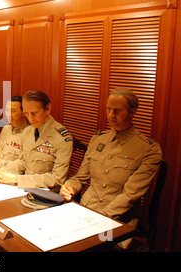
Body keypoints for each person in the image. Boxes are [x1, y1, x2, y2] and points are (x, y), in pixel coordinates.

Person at [59, 88, 162, 248]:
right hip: (85, 210)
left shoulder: (148, 149)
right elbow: (80, 177)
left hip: (118, 219)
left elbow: (130, 196)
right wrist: (69, 186)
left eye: (118, 111)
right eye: (108, 109)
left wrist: (98, 218)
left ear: (132, 112)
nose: (111, 115)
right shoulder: (98, 139)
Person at [0, 90, 73, 191]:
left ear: (48, 109)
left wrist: (17, 179)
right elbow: (23, 160)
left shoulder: (62, 138)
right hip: (23, 189)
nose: (31, 119)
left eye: (34, 113)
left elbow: (57, 178)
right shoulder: (27, 131)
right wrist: (6, 170)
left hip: (47, 193)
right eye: (26, 114)